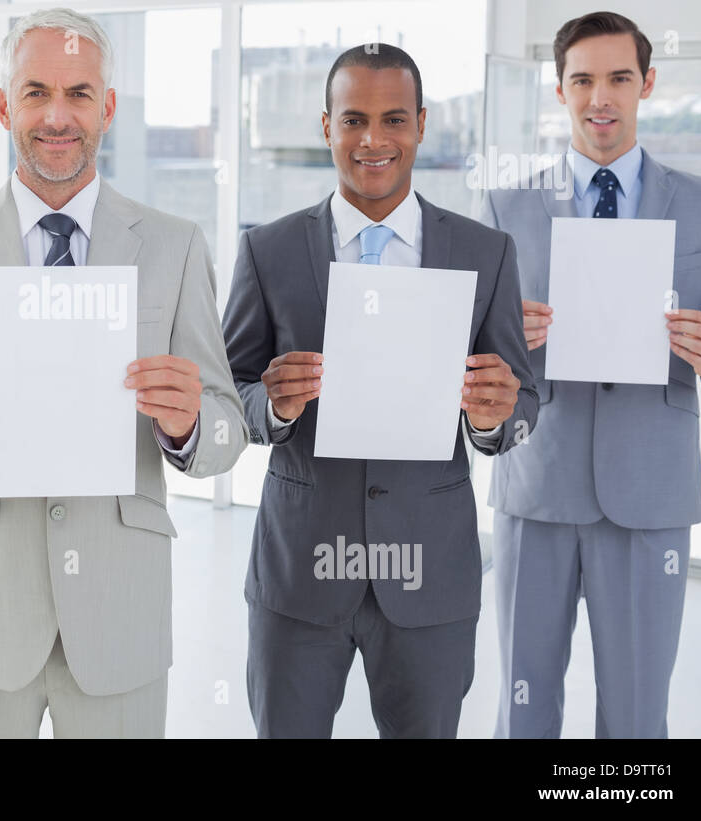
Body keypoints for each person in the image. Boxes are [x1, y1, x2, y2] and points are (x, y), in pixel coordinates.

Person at [0, 7, 247, 738]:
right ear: (3, 105)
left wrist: (190, 423)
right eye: (35, 91)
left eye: (78, 94)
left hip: (117, 615)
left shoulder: (173, 246)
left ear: (106, 107)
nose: (56, 115)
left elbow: (229, 426)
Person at [223, 43, 537, 738]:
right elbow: (228, 394)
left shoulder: (486, 252)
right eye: (353, 119)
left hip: (431, 576)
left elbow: (524, 403)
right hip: (299, 574)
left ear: (422, 125)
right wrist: (270, 405)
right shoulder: (267, 252)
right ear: (326, 126)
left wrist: (494, 419)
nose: (372, 140)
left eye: (393, 119)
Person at [481, 11, 701, 738]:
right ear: (560, 90)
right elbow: (469, 362)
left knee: (637, 716)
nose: (601, 97)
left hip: (650, 498)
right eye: (582, 79)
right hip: (536, 487)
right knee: (523, 709)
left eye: (619, 77)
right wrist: (502, 344)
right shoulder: (506, 205)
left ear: (647, 83)